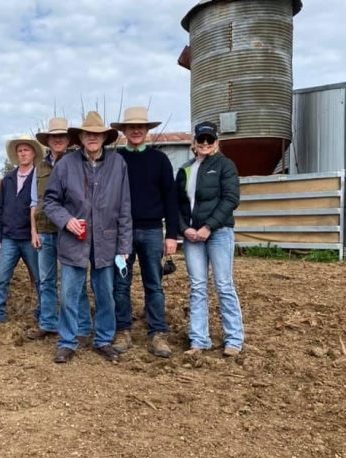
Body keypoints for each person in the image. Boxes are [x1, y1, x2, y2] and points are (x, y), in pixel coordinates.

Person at [44, 111, 132, 364]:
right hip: (75, 240)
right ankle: (68, 341)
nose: (92, 138)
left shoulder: (118, 164)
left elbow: (124, 206)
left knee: (105, 293)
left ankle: (104, 339)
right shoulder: (66, 165)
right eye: (88, 133)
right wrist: (66, 220)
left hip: (107, 239)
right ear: (81, 137)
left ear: (104, 137)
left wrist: (124, 244)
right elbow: (50, 201)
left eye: (97, 134)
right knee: (70, 293)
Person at [109, 106, 180, 358]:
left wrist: (171, 234)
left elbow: (171, 198)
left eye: (141, 127)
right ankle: (123, 330)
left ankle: (158, 333)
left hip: (151, 231)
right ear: (124, 131)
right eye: (131, 127)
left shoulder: (159, 160)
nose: (136, 131)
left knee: (154, 284)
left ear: (147, 130)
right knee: (120, 284)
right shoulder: (116, 160)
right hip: (122, 233)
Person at [176, 121, 244, 357]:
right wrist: (184, 229)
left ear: (217, 143)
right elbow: (178, 205)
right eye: (201, 140)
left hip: (218, 233)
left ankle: (234, 339)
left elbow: (231, 199)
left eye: (210, 140)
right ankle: (198, 340)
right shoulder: (185, 169)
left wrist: (208, 226)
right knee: (198, 286)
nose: (205, 144)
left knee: (224, 285)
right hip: (192, 236)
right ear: (194, 142)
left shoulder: (225, 166)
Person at [26, 117, 92, 346]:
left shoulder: (80, 163)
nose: (58, 140)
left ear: (68, 140)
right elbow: (35, 202)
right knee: (46, 280)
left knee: (74, 282)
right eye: (54, 137)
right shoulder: (39, 168)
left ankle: (83, 327)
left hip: (71, 231)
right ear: (49, 140)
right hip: (45, 229)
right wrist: (33, 231)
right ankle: (48, 323)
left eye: (62, 136)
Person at [0, 135, 43, 331]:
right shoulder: (8, 179)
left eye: (26, 150)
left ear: (33, 153)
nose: (23, 153)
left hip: (31, 238)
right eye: (20, 151)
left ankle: (45, 315)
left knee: (41, 278)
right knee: (2, 277)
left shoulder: (39, 177)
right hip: (9, 238)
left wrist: (39, 232)